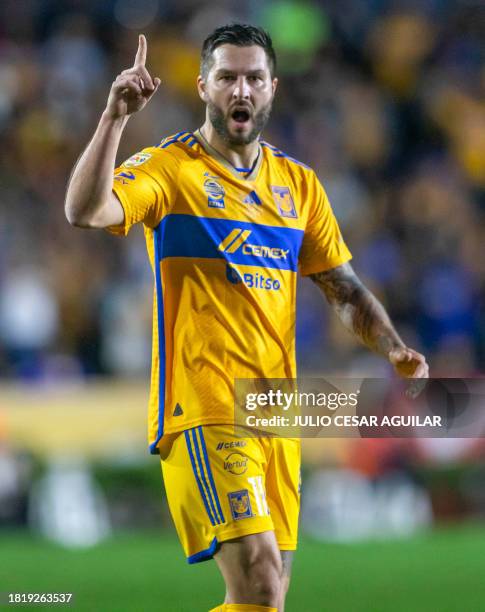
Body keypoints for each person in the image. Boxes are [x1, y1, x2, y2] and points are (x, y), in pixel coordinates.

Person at [65, 23, 428, 612]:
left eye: (254, 78)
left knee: (267, 598)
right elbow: (86, 210)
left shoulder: (299, 185)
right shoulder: (170, 169)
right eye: (228, 77)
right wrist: (114, 118)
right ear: (204, 86)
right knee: (258, 579)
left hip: (275, 407)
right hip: (205, 402)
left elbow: (343, 288)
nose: (242, 89)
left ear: (273, 88)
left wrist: (391, 348)